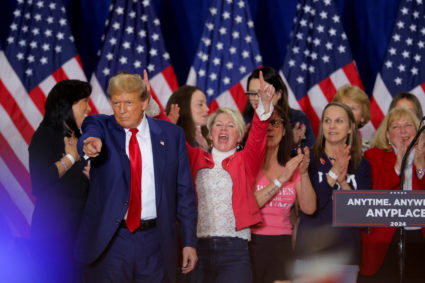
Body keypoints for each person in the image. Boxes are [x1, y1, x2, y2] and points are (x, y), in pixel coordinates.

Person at [74, 71, 198, 282]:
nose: (121, 110)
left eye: (129, 103)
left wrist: (189, 242)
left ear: (144, 102)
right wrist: (89, 143)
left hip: (155, 242)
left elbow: (184, 193)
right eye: (116, 103)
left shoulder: (171, 135)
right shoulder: (101, 126)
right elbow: (89, 131)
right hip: (112, 241)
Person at [188, 71, 274, 283]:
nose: (224, 128)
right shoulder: (195, 157)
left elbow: (258, 134)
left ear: (239, 134)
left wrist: (263, 106)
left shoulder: (246, 160)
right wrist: (150, 104)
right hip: (197, 248)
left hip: (234, 252)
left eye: (230, 125)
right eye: (218, 124)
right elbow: (169, 135)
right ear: (210, 132)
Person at [294, 103, 371, 283]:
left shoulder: (362, 165)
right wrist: (333, 174)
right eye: (327, 121)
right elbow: (310, 208)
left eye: (338, 121)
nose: (331, 126)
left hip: (345, 256)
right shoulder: (307, 159)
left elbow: (359, 215)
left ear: (351, 127)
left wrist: (343, 182)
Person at [29, 80, 91, 283]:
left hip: (79, 238)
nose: (88, 108)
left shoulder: (83, 139)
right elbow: (39, 183)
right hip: (52, 238)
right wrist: (70, 159)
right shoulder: (45, 135)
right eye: (84, 101)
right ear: (68, 105)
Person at [249, 105, 316, 283]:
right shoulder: (248, 164)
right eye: (265, 123)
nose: (269, 128)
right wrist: (281, 178)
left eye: (275, 123)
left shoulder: (292, 166)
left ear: (285, 130)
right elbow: (248, 205)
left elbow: (309, 208)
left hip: (282, 245)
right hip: (251, 244)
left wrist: (303, 173)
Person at [359, 108, 425, 283]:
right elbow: (375, 194)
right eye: (396, 126)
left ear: (418, 131)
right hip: (386, 238)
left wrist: (420, 167)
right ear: (387, 135)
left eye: (408, 125)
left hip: (420, 235)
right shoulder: (373, 156)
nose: (403, 131)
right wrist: (398, 164)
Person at [243, 66, 315, 147]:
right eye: (252, 93)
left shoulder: (297, 119)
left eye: (263, 93)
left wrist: (295, 146)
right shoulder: (243, 122)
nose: (257, 98)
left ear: (279, 94)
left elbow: (311, 155)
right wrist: (242, 142)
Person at [165, 85, 210, 151]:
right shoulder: (170, 139)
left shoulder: (207, 139)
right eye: (200, 104)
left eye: (206, 103)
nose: (207, 109)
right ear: (184, 107)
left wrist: (205, 146)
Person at [333, 85, 371, 152]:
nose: (348, 111)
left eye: (353, 108)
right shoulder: (326, 146)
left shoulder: (371, 150)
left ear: (362, 116)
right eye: (344, 107)